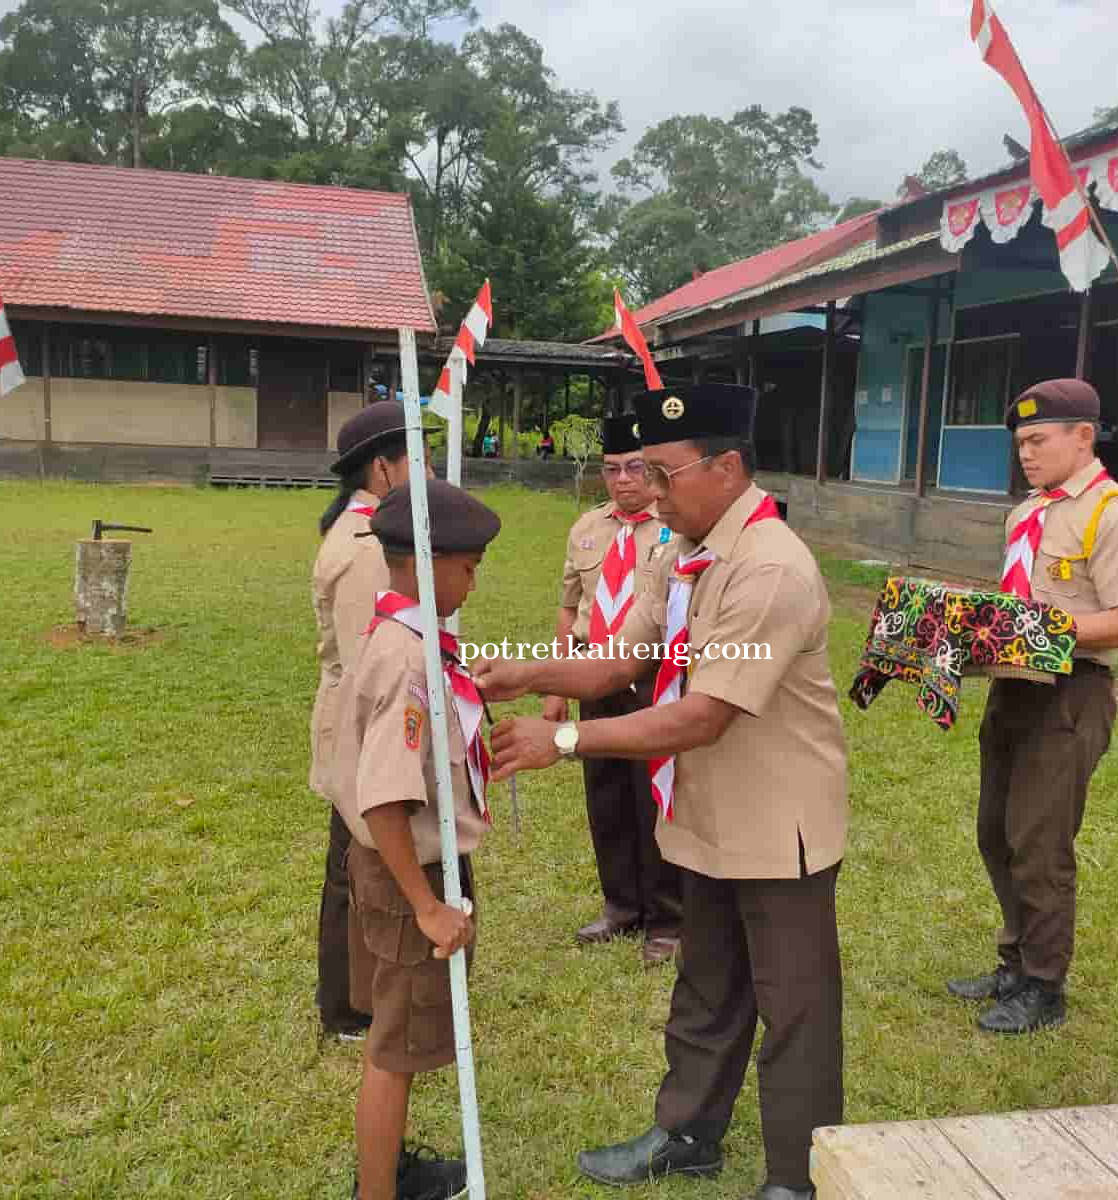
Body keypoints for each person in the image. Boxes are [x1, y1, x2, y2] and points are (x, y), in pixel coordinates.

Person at [476, 383, 848, 1200]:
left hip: (776, 821)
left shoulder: (770, 568)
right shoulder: (681, 552)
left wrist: (564, 738)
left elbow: (703, 714)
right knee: (707, 984)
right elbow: (623, 661)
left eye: (665, 473)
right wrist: (529, 674)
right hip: (706, 812)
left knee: (795, 1009)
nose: (649, 488)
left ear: (727, 466)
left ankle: (800, 1175)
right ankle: (687, 1133)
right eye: (642, 470)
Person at [946, 378, 1118, 1035]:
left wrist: (1036, 629)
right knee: (995, 834)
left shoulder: (1114, 515)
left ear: (1083, 437)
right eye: (1020, 444)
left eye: (1038, 440)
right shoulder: (1028, 513)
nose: (1026, 455)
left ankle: (1044, 985)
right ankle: (1014, 963)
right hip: (1013, 688)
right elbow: (1016, 604)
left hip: (1070, 694)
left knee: (1039, 845)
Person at [337, 480, 501, 1200]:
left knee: (395, 1035)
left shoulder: (405, 634)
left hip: (400, 871)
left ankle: (392, 1170)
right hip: (410, 879)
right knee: (396, 1051)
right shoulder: (407, 657)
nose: (473, 580)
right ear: (431, 566)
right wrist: (427, 906)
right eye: (469, 566)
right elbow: (384, 798)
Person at [545, 415, 682, 966]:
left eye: (633, 468)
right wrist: (555, 684)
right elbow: (568, 608)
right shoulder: (586, 529)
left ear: (651, 472)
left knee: (653, 795)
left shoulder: (675, 529)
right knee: (604, 793)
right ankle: (621, 906)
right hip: (591, 673)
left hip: (651, 678)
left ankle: (668, 920)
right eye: (611, 469)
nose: (622, 480)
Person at [311, 401, 427, 1043]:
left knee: (357, 859)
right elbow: (369, 659)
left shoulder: (375, 533)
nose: (429, 470)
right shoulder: (363, 548)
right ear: (382, 469)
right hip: (364, 721)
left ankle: (356, 999)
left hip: (368, 717)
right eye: (418, 459)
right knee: (357, 864)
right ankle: (351, 1007)